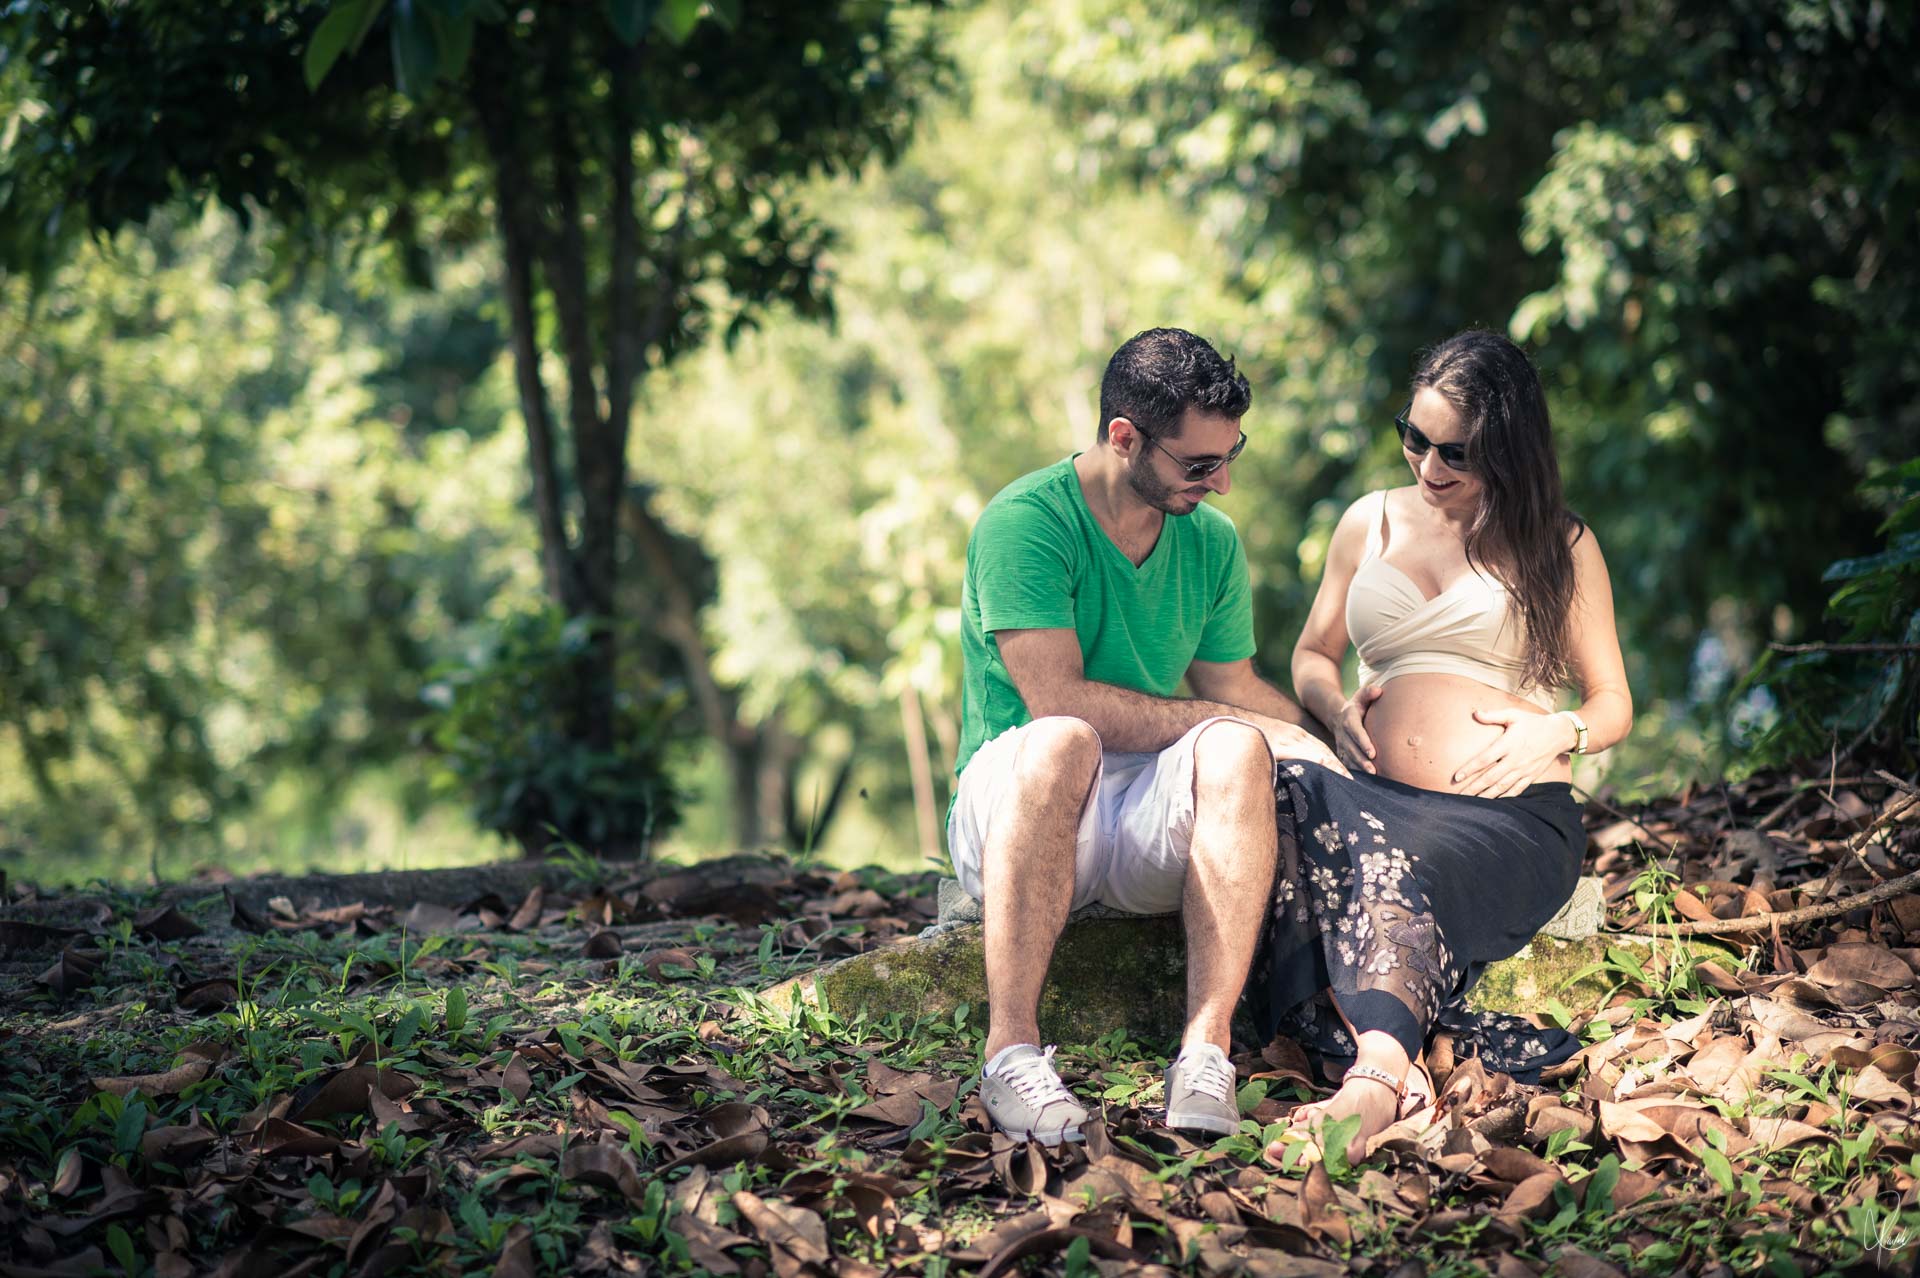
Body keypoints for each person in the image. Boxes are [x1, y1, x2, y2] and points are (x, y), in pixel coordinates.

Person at [950, 327, 1345, 1146]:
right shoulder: (1025, 523)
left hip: (1138, 816)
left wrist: (1325, 744)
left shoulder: (1211, 540)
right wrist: (1234, 721)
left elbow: (1233, 689)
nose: (1221, 482)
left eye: (1230, 456)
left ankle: (1204, 1053)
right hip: (1019, 807)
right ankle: (1009, 1053)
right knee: (1065, 738)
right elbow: (1057, 700)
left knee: (1239, 747)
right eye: (1199, 465)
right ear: (1124, 437)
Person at [1257, 329, 1632, 1166]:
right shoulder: (1368, 522)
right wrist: (1332, 708)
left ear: (1507, 447)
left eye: (1455, 452)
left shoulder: (1560, 544)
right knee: (1276, 783)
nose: (1429, 466)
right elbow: (1313, 654)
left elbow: (1613, 702)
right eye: (1414, 438)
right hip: (1371, 791)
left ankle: (1373, 1080)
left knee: (1390, 860)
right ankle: (1397, 1058)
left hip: (1503, 817)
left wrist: (1559, 729)